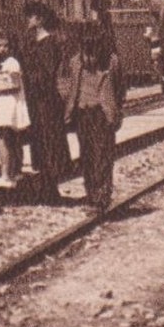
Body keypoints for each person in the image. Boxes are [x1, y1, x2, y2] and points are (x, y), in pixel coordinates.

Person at [59, 23, 123, 211]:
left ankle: (102, 198)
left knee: (102, 157)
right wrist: (68, 101)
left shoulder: (111, 62)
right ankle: (92, 195)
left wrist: (114, 109)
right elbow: (63, 81)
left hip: (102, 114)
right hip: (83, 113)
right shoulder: (75, 62)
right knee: (87, 155)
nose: (91, 56)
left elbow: (120, 87)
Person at [19, 2, 71, 199]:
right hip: (36, 101)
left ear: (39, 20)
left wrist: (27, 78)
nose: (27, 20)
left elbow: (46, 74)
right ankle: (44, 186)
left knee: (48, 141)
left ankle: (49, 188)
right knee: (40, 141)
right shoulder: (35, 42)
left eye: (30, 17)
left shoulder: (49, 43)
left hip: (45, 102)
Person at [0, 33, 29, 189]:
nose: (2, 49)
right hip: (0, 103)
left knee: (3, 138)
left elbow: (15, 84)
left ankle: (5, 174)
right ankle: (12, 171)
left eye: (5, 46)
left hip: (7, 102)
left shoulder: (12, 63)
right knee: (8, 138)